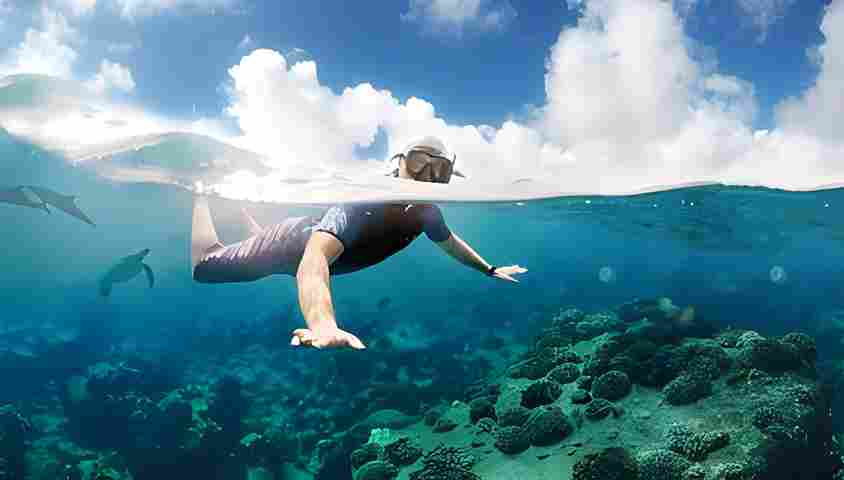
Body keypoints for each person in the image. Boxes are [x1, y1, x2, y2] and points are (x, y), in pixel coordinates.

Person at [190, 136, 527, 350]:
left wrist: (489, 269)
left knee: (258, 245)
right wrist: (322, 325)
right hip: (288, 244)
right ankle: (202, 195)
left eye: (437, 172)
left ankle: (247, 223)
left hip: (300, 241)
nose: (426, 179)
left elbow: (450, 242)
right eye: (418, 165)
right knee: (204, 267)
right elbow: (313, 260)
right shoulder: (361, 207)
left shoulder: (425, 212)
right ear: (399, 165)